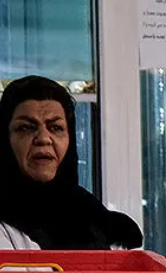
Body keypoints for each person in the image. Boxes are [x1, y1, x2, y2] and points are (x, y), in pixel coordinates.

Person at [0, 76, 142, 249]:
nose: (43, 139)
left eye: (56, 128)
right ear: (5, 139)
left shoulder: (94, 217)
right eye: (26, 127)